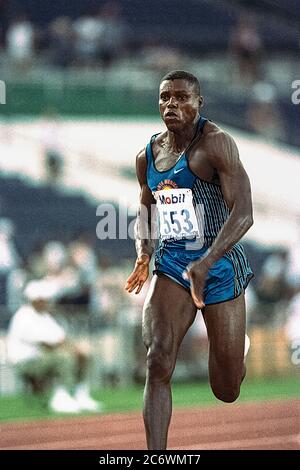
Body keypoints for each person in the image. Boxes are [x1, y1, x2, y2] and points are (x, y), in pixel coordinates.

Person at [125, 70, 254, 450]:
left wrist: (208, 260)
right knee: (158, 359)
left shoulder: (216, 145)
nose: (171, 105)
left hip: (219, 265)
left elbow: (244, 213)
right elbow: (146, 209)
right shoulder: (147, 155)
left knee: (226, 389)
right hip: (173, 264)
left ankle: (236, 352)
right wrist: (144, 254)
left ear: (199, 103)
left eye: (182, 98)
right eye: (165, 98)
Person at [6, 280, 102, 413]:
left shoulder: (44, 316)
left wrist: (78, 349)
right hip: (26, 362)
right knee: (63, 358)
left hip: (42, 358)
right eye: (43, 299)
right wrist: (72, 349)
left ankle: (81, 394)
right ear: (35, 299)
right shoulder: (23, 316)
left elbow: (61, 337)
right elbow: (47, 344)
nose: (46, 301)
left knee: (83, 355)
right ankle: (61, 396)